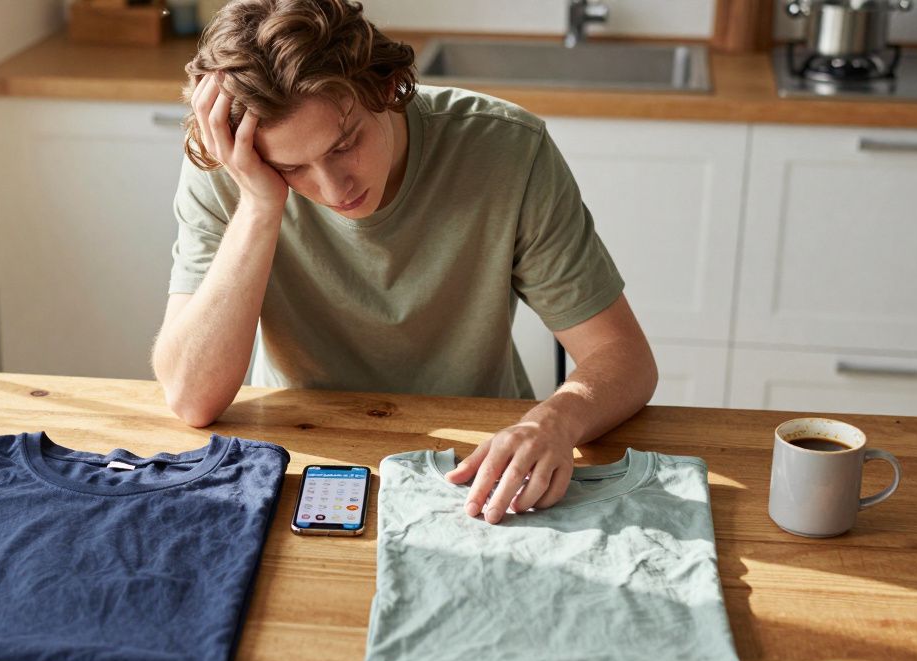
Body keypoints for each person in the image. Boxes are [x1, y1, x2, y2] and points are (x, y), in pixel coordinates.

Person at [151, 0, 657, 523]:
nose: (333, 189)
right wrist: (260, 205)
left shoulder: (508, 150)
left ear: (388, 87)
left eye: (345, 144)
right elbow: (191, 398)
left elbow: (625, 358)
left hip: (480, 459)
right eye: (292, 167)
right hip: (298, 457)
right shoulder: (233, 167)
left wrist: (553, 422)